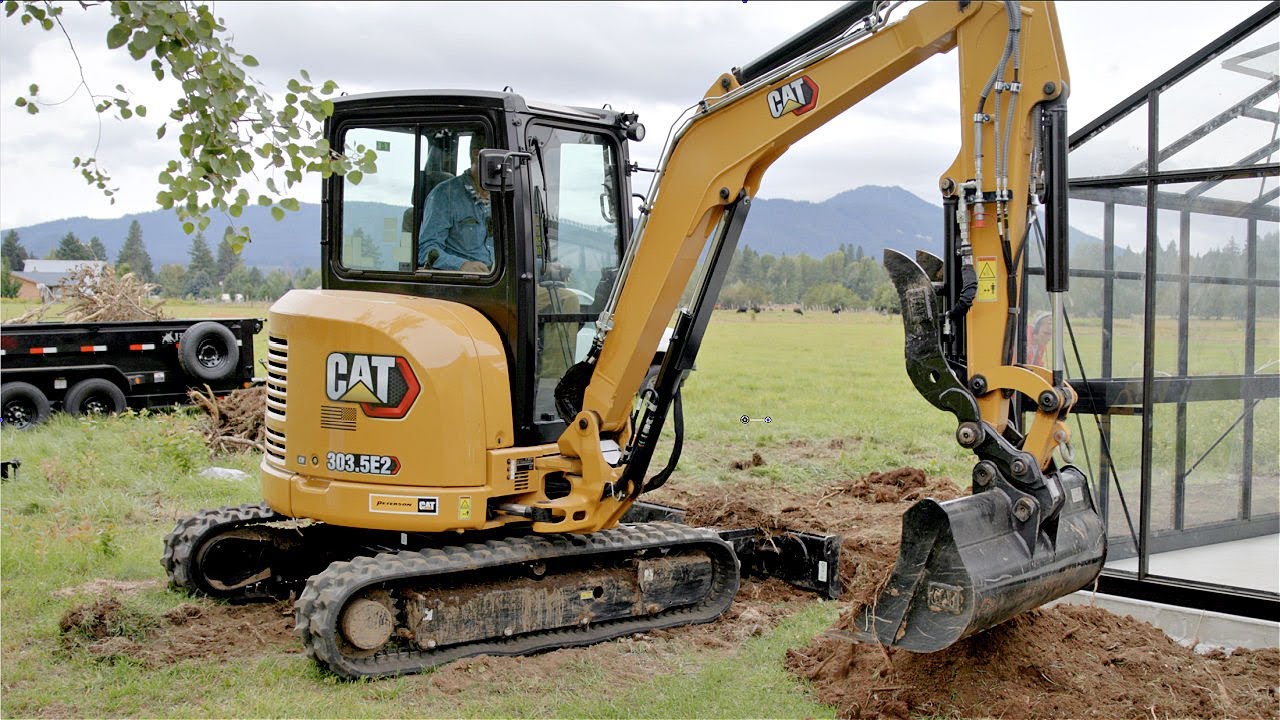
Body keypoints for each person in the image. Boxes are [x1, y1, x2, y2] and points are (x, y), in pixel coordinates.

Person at [417, 132, 493, 272]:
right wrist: (462, 266)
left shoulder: (504, 197)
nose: (503, 168)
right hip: (466, 283)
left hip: (502, 277)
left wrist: (543, 266)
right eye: (497, 160)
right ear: (477, 154)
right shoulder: (445, 195)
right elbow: (427, 250)